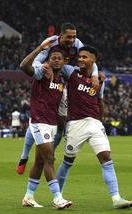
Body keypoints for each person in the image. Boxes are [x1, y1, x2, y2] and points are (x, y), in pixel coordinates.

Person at [56, 46, 132, 209]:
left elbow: (99, 101)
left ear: (93, 60)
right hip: (75, 124)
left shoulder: (99, 80)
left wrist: (100, 120)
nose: (80, 59)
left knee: (106, 158)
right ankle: (57, 196)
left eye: (85, 57)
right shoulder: (71, 72)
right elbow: (56, 62)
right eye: (80, 56)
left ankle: (116, 198)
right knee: (68, 161)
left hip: (94, 123)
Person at [16, 22, 100, 175]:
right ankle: (24, 156)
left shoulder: (78, 44)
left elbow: (90, 59)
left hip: (63, 79)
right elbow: (35, 62)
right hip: (46, 77)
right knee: (37, 119)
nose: (72, 40)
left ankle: (50, 151)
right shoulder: (49, 43)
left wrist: (94, 75)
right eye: (69, 37)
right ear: (61, 36)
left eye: (74, 37)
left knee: (61, 121)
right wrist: (43, 68)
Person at [19, 40, 72, 209]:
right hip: (38, 122)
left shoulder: (62, 79)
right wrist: (39, 49)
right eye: (53, 57)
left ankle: (28, 197)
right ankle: (57, 198)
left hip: (52, 124)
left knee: (40, 162)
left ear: (64, 62)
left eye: (59, 58)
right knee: (50, 158)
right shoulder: (41, 73)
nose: (56, 60)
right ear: (48, 60)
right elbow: (23, 66)